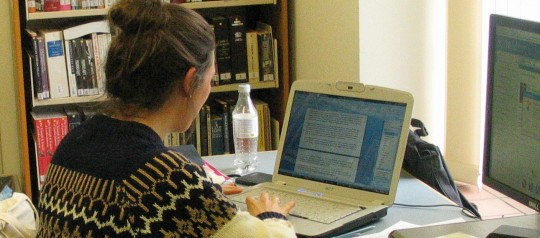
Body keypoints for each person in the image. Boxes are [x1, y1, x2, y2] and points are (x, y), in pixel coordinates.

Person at [36, 0, 296, 237]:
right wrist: (271, 218)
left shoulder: (74, 142)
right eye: (210, 78)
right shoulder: (167, 179)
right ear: (189, 81)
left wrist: (203, 197)